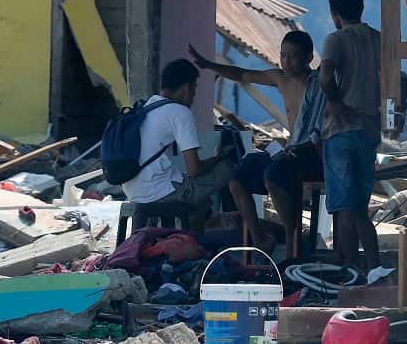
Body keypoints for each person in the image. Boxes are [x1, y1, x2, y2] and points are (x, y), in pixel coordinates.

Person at [190, 32, 326, 256]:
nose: (286, 61)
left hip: (308, 153)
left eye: (293, 56)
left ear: (309, 58)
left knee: (273, 176)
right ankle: (260, 238)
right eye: (283, 56)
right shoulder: (280, 78)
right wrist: (207, 65)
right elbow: (242, 74)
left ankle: (294, 239)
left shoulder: (318, 86)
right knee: (238, 177)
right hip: (289, 151)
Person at [121, 58, 235, 231]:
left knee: (201, 201)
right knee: (229, 167)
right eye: (195, 88)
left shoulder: (148, 105)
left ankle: (192, 234)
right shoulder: (180, 112)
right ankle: (254, 235)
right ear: (188, 88)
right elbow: (194, 170)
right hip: (156, 193)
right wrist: (218, 158)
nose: (194, 94)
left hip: (133, 190)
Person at [319, 0, 385, 275]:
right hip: (368, 130)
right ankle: (373, 268)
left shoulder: (336, 39)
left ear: (334, 12)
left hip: (340, 130)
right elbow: (397, 79)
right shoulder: (377, 39)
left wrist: (335, 101)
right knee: (360, 205)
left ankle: (347, 272)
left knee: (344, 207)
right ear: (361, 6)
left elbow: (324, 77)